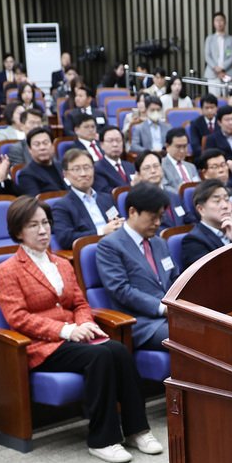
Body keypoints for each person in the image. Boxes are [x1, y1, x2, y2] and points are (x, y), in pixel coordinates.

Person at [0, 195, 160, 463]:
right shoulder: (7, 269)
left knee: (118, 350)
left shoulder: (61, 262)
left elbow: (80, 302)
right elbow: (18, 319)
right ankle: (102, 439)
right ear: (18, 232)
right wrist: (66, 330)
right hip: (42, 345)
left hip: (75, 335)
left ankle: (137, 429)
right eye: (33, 225)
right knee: (101, 356)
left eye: (46, 223)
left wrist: (84, 323)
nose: (43, 230)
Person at [94, 182, 176, 350]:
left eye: (161, 217)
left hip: (173, 316)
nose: (158, 222)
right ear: (132, 212)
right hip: (142, 323)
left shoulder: (160, 242)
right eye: (153, 217)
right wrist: (161, 308)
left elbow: (175, 278)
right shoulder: (110, 245)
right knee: (194, 338)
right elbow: (121, 290)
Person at [52, 147, 123, 249]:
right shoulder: (61, 206)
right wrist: (101, 232)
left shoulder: (107, 198)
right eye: (76, 169)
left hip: (117, 245)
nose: (83, 174)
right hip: (94, 250)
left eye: (87, 167)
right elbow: (66, 239)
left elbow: (116, 220)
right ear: (65, 174)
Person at [180, 178, 232, 270]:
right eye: (217, 201)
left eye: (227, 199)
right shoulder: (194, 241)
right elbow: (212, 275)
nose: (225, 206)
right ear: (201, 209)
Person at [131, 151, 186, 229]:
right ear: (139, 175)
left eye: (156, 166)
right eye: (147, 168)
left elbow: (190, 220)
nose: (153, 171)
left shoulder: (174, 196)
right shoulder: (138, 200)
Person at [17, 126, 65, 195]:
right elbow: (35, 202)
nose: (42, 148)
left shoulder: (62, 167)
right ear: (29, 150)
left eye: (45, 143)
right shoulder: (26, 174)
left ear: (53, 146)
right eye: (37, 144)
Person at [92, 125, 135, 194]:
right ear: (101, 145)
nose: (115, 144)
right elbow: (104, 191)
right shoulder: (97, 168)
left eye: (118, 140)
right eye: (110, 141)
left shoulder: (130, 166)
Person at [203, 11, 232, 97]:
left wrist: (222, 68)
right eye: (216, 20)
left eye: (221, 20)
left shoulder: (231, 39)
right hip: (212, 73)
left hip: (228, 73)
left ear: (225, 22)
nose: (219, 23)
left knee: (230, 99)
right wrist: (216, 68)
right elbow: (207, 55)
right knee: (214, 99)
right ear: (214, 23)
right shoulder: (209, 39)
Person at [160, 128, 198, 192]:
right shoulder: (161, 166)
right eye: (178, 147)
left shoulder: (191, 166)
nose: (182, 151)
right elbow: (165, 189)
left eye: (185, 146)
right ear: (167, 146)